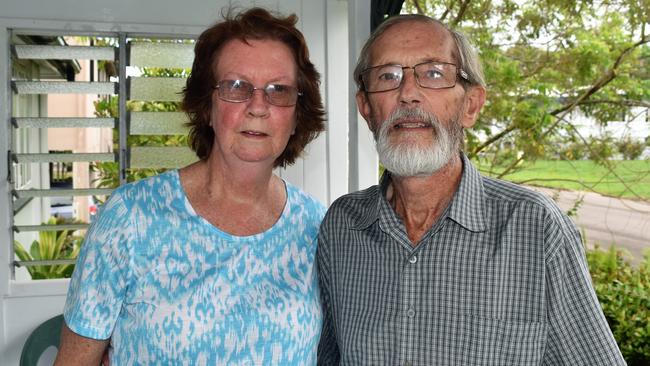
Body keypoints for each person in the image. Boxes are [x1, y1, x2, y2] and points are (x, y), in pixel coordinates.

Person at [317, 14, 626, 365]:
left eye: (433, 73)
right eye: (388, 76)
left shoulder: (535, 228)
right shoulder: (342, 227)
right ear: (366, 108)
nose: (408, 94)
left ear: (471, 105)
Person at [55, 7, 326, 365]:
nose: (258, 106)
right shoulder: (131, 218)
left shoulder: (318, 227)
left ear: (295, 117)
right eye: (237, 87)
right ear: (206, 108)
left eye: (279, 90)